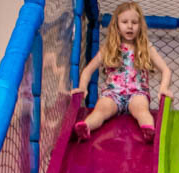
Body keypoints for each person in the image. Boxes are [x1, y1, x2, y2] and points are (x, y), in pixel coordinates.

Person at [71, 1, 173, 143]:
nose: (130, 26)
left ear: (140, 25)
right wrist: (82, 87)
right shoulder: (109, 48)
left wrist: (164, 88)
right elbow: (88, 70)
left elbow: (166, 70)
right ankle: (86, 127)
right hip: (113, 94)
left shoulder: (145, 47)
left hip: (137, 93)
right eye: (125, 22)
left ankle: (148, 129)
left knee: (141, 110)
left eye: (134, 22)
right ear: (116, 25)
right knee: (101, 109)